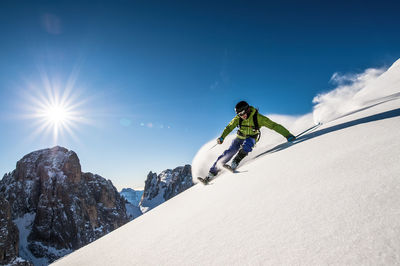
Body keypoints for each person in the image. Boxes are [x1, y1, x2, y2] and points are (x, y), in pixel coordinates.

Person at [200, 101, 296, 184]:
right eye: (239, 114)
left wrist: (287, 135)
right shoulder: (238, 119)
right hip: (240, 137)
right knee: (230, 152)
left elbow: (274, 126)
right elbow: (229, 127)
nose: (242, 116)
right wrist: (222, 137)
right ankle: (210, 174)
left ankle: (235, 162)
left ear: (247, 109)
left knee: (247, 145)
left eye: (242, 113)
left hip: (252, 137)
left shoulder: (258, 118)